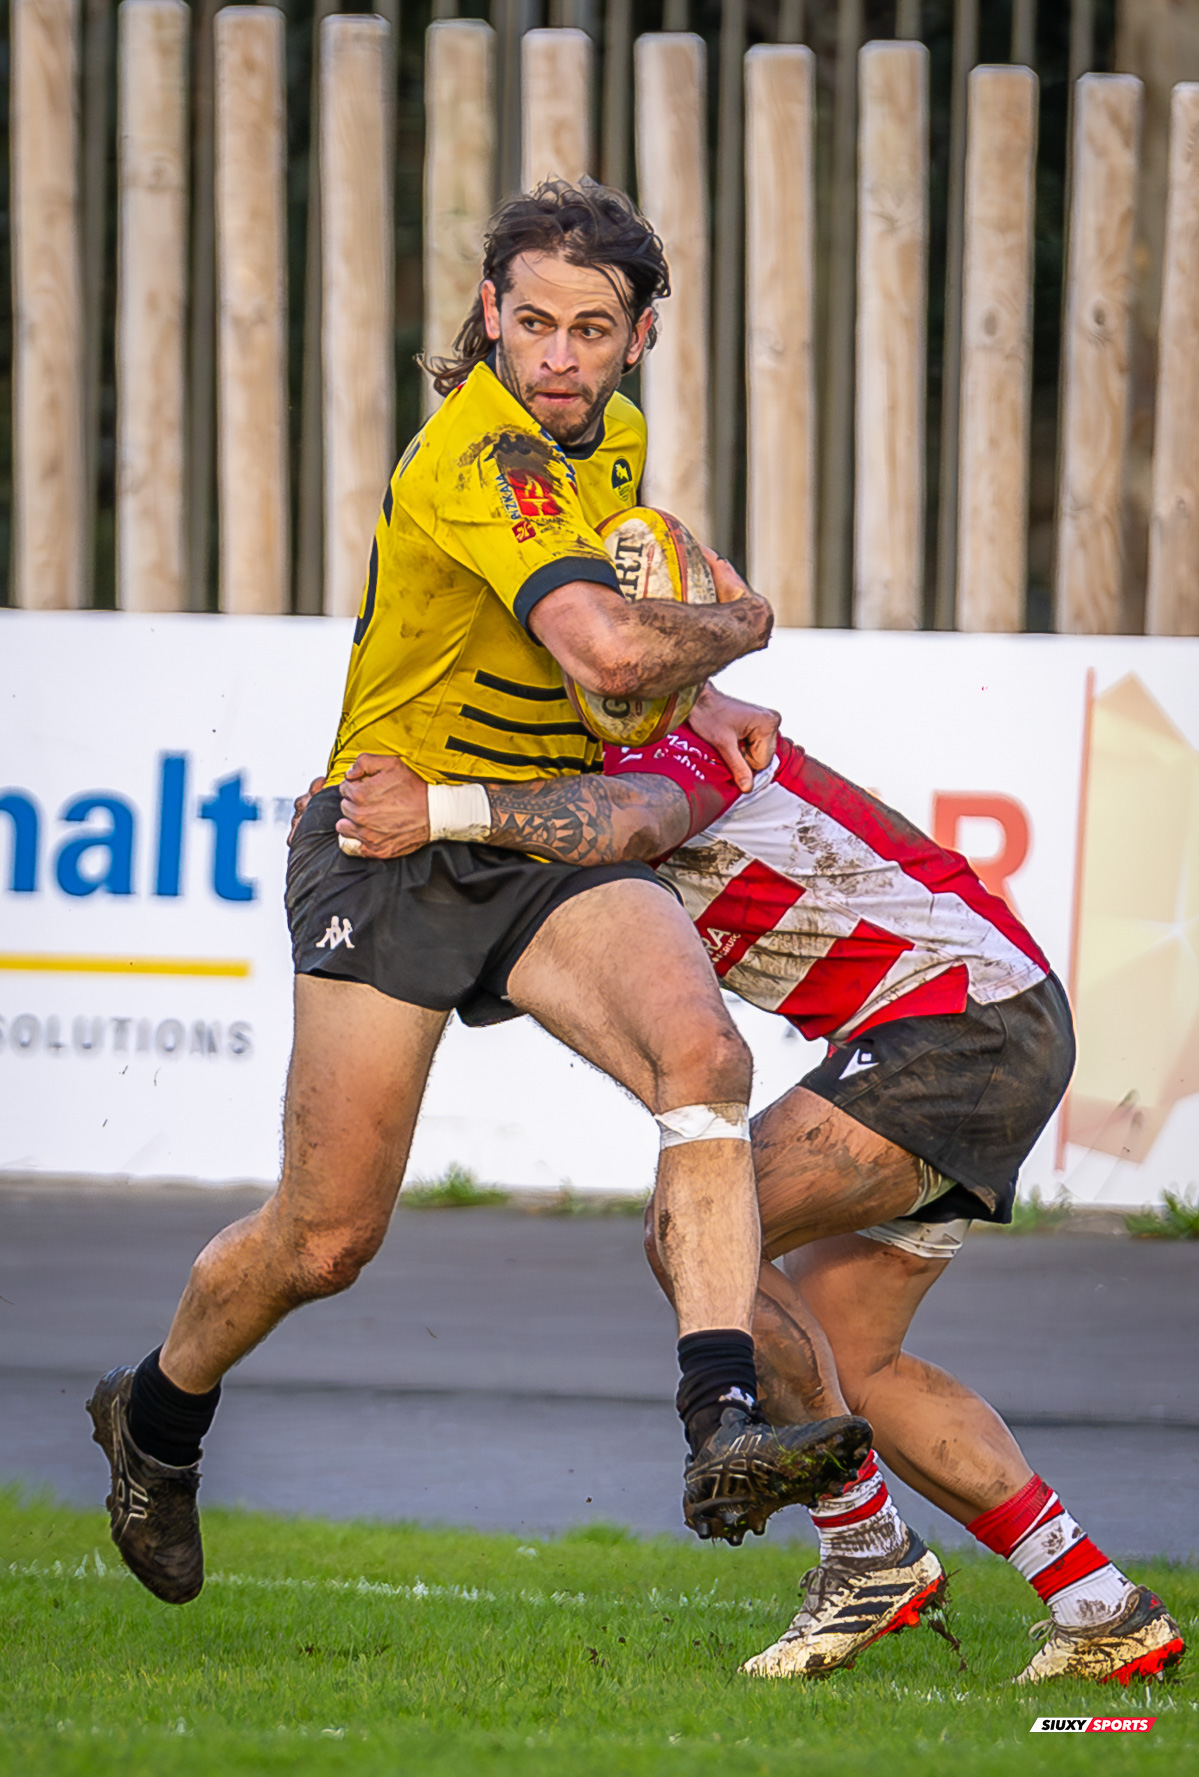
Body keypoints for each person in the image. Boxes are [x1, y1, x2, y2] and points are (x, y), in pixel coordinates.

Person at [86, 181, 870, 1609]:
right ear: (489, 317)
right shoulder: (477, 458)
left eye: (589, 328)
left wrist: (706, 678)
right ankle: (156, 1414)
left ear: (636, 337)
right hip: (388, 845)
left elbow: (608, 673)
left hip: (537, 840)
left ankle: (719, 1425)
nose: (557, 356)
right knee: (323, 1241)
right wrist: (738, 626)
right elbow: (611, 652)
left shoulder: (613, 444)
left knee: (701, 1058)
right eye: (530, 324)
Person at [303, 712, 1186, 1688]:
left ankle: (866, 1557)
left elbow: (626, 824)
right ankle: (1096, 1607)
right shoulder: (578, 765)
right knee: (856, 1362)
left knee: (692, 1229)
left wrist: (438, 812)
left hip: (959, 1021)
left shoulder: (668, 735)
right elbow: (519, 948)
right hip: (975, 1024)